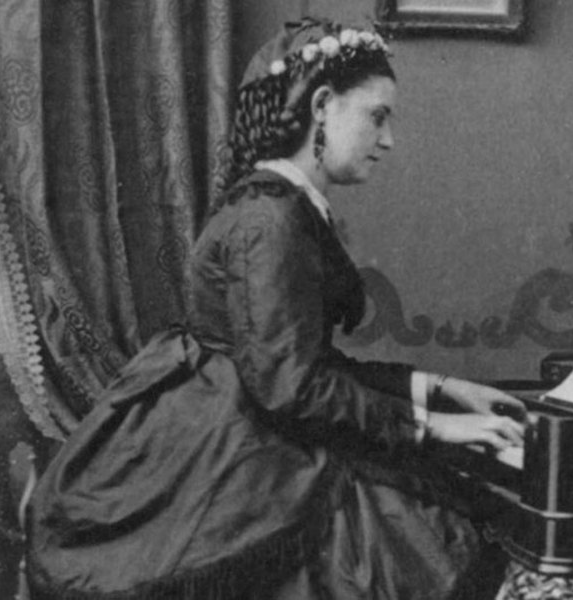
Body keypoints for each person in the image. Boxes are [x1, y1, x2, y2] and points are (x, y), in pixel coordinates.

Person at [26, 17, 527, 600]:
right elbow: (294, 387)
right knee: (422, 544)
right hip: (237, 449)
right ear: (322, 106)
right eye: (377, 116)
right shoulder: (272, 220)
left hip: (247, 423)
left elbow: (302, 363)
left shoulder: (282, 205)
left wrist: (438, 388)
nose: (388, 139)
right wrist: (435, 425)